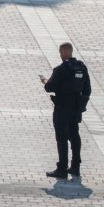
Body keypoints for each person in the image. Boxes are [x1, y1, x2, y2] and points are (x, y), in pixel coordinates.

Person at [40, 43, 92, 179]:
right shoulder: (81, 67)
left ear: (63, 52)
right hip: (75, 108)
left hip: (62, 108)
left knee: (61, 137)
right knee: (74, 135)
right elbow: (88, 90)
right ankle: (75, 166)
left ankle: (62, 168)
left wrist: (45, 81)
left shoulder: (61, 69)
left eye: (60, 52)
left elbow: (49, 87)